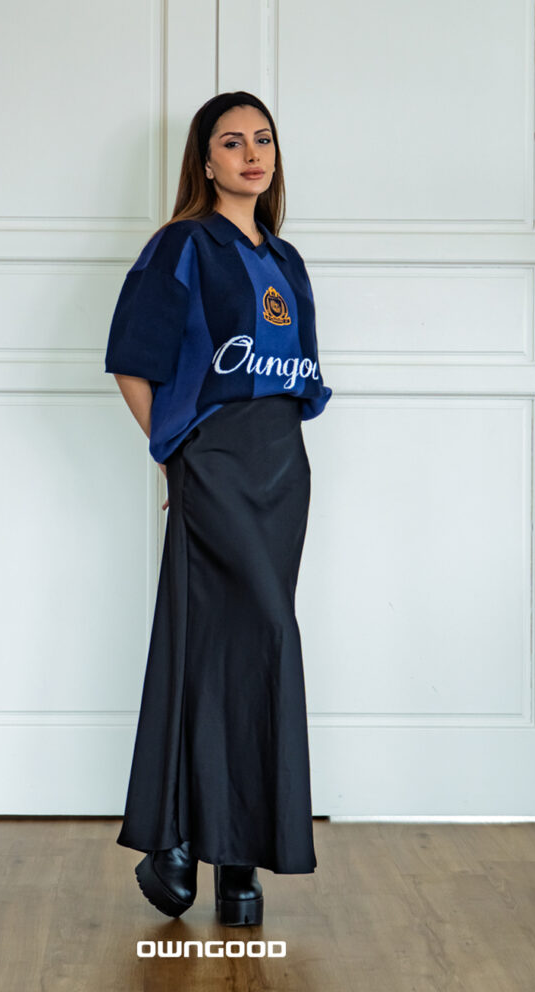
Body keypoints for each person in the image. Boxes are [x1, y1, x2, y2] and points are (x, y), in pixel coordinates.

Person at [105, 91, 332, 927]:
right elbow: (132, 361)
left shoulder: (286, 259)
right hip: (216, 461)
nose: (251, 154)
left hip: (282, 467)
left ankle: (236, 869)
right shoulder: (181, 245)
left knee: (245, 651)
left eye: (262, 139)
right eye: (231, 142)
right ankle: (175, 837)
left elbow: (297, 376)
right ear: (204, 160)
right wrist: (177, 453)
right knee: (244, 638)